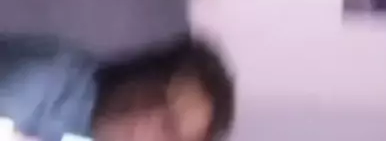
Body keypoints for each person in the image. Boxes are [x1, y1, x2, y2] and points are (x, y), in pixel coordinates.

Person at [0, 34, 234, 141]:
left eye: (167, 128)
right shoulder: (47, 78)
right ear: (142, 69)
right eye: (157, 93)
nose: (144, 115)